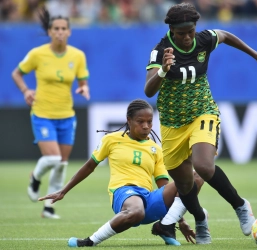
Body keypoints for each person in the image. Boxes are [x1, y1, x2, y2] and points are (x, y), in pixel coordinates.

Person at [144, 2, 257, 244]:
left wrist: (255, 54)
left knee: (204, 167)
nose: (186, 38)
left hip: (203, 112)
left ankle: (240, 206)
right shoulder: (160, 51)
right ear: (172, 30)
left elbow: (224, 35)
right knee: (184, 185)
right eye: (181, 33)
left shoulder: (204, 40)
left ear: (195, 28)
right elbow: (149, 90)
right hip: (172, 123)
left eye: (190, 32)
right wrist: (163, 70)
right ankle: (201, 220)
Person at [38, 99, 205, 247]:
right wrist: (63, 190)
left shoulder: (155, 148)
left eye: (149, 122)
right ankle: (89, 241)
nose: (146, 126)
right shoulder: (111, 140)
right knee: (136, 210)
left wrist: (179, 220)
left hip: (149, 199)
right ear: (129, 120)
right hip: (124, 194)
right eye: (140, 121)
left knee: (194, 177)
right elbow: (89, 166)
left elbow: (164, 185)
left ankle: (164, 226)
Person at [11, 7, 90, 219]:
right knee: (53, 158)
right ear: (49, 31)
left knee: (62, 164)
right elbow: (17, 73)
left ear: (69, 32)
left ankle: (48, 207)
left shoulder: (77, 55)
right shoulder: (38, 54)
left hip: (66, 115)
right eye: (56, 28)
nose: (60, 32)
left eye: (64, 28)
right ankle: (35, 177)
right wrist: (26, 90)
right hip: (43, 113)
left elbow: (83, 81)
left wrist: (84, 88)